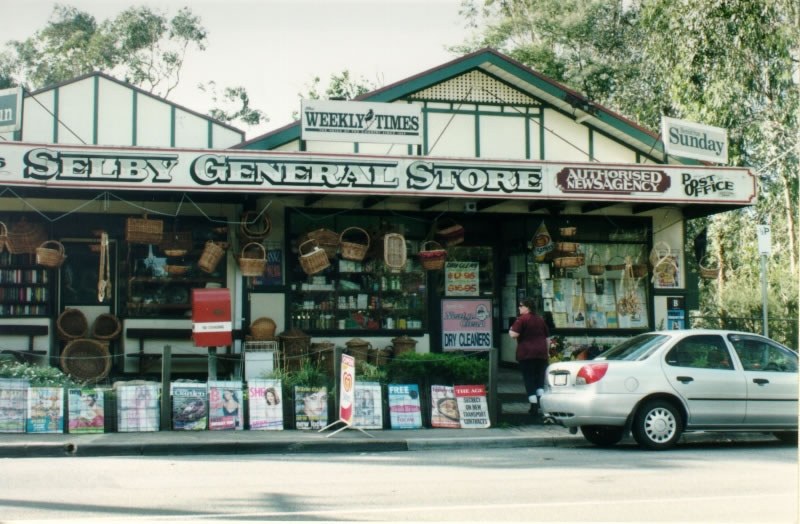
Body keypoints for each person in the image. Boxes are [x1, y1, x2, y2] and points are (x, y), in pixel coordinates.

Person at [509, 298, 550, 416]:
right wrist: (546, 353)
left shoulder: (522, 319)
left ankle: (533, 406)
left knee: (529, 379)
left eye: (521, 306)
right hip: (541, 354)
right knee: (539, 381)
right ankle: (542, 406)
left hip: (526, 354)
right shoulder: (540, 320)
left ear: (527, 307)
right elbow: (547, 338)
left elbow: (514, 334)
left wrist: (510, 330)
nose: (519, 307)